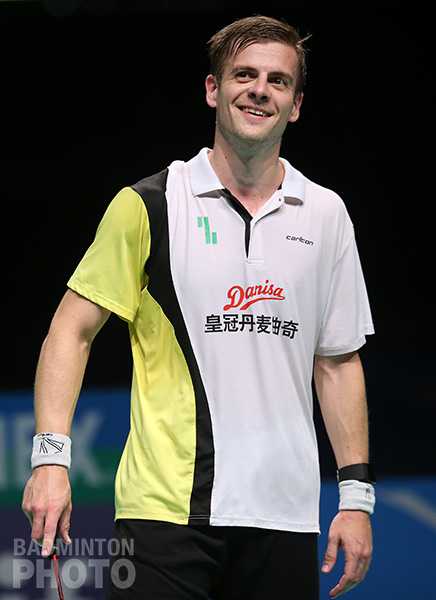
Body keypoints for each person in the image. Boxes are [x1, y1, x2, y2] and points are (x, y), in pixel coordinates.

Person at [22, 15, 376, 600]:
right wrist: (50, 460)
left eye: (278, 81)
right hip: (163, 515)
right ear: (213, 89)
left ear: (295, 106)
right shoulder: (150, 204)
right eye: (243, 75)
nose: (259, 90)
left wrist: (356, 497)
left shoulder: (327, 214)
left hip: (284, 516)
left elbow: (337, 360)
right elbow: (71, 332)